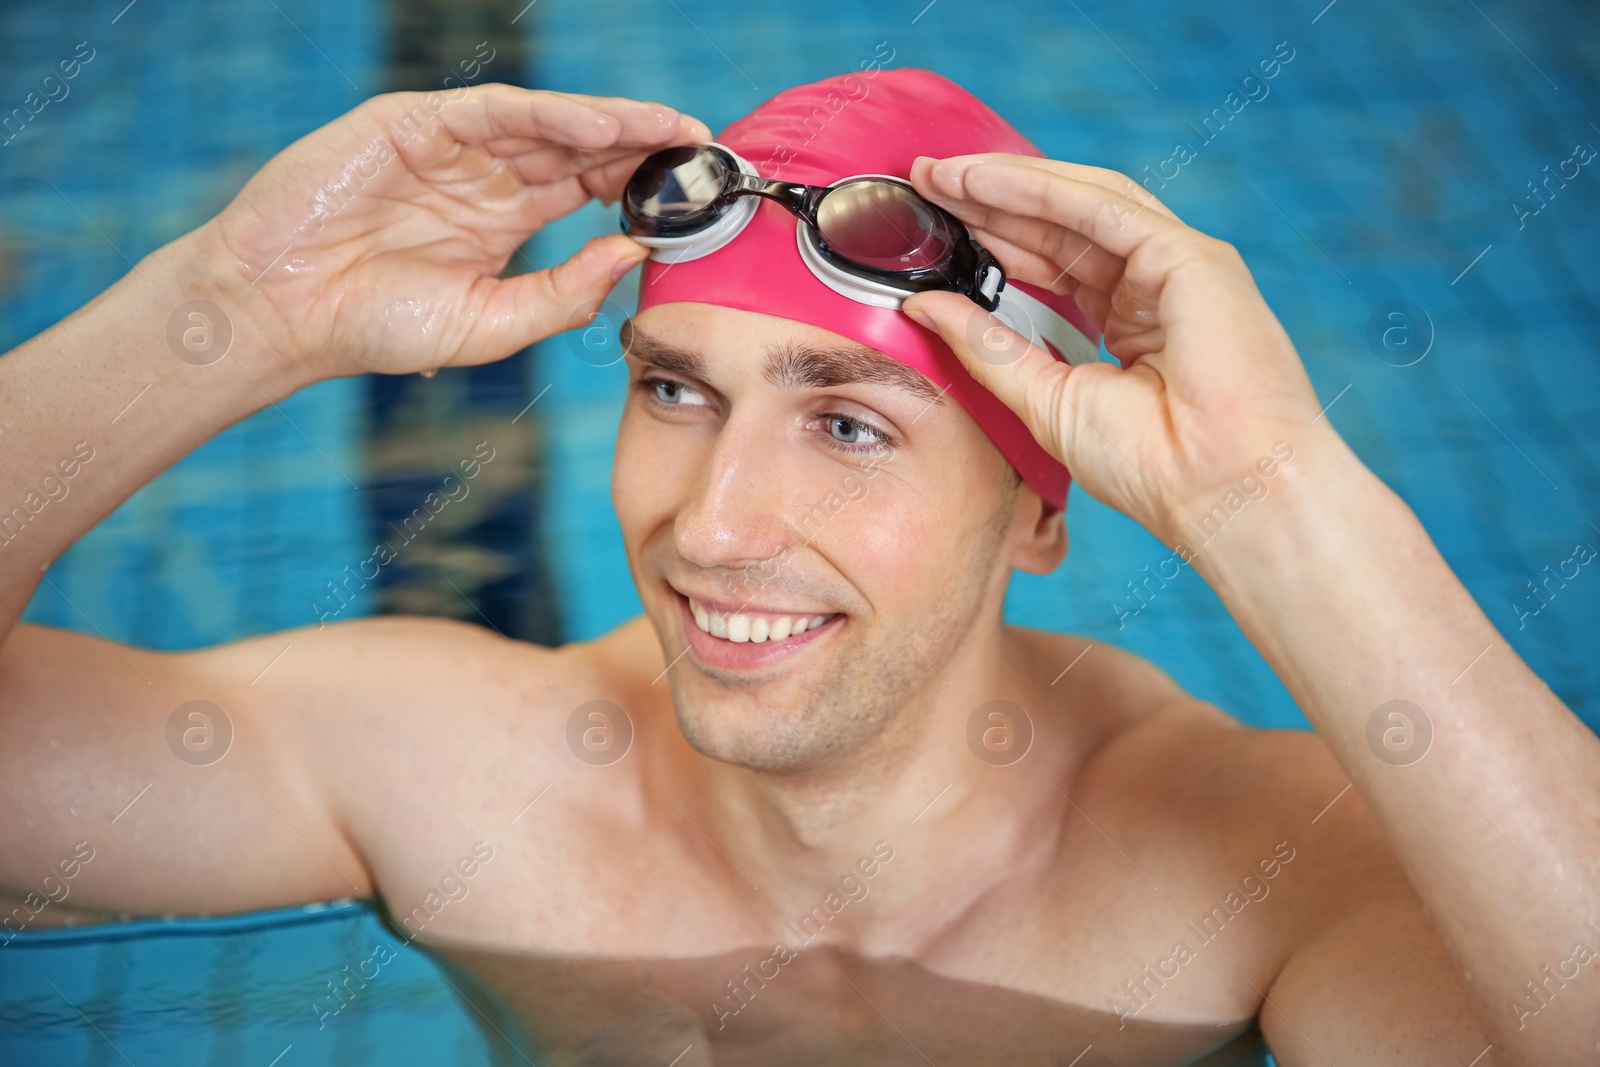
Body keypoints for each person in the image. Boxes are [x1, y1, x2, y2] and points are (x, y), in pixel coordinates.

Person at [0, 68, 1595, 1066]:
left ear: (1040, 515)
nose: (712, 528)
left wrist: (1276, 497)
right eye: (675, 393)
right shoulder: (459, 768)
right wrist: (234, 306)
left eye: (851, 428)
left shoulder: (1265, 874)